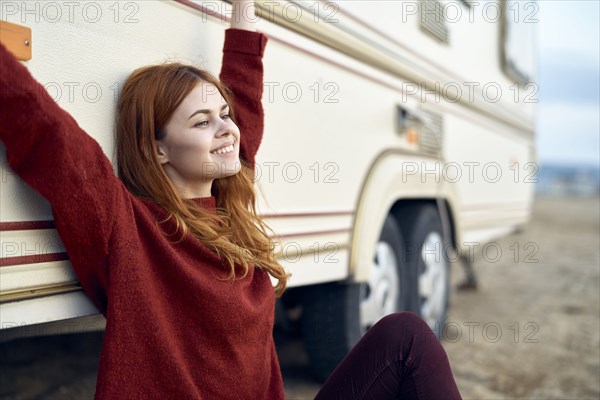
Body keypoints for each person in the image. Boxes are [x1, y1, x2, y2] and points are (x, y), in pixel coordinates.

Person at [0, 1, 462, 399]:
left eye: (224, 115)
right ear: (156, 148)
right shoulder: (126, 225)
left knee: (406, 336)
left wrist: (244, 9)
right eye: (202, 122)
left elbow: (244, 94)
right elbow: (49, 135)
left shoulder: (232, 210)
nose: (227, 129)